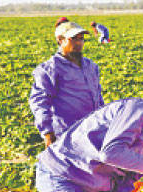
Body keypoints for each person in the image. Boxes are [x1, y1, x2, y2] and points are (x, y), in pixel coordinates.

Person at [29, 20, 105, 148]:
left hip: (93, 131)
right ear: (60, 40)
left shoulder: (91, 66)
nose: (79, 43)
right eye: (74, 39)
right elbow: (40, 101)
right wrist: (47, 132)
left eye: (81, 39)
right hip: (65, 133)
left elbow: (98, 97)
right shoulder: (50, 69)